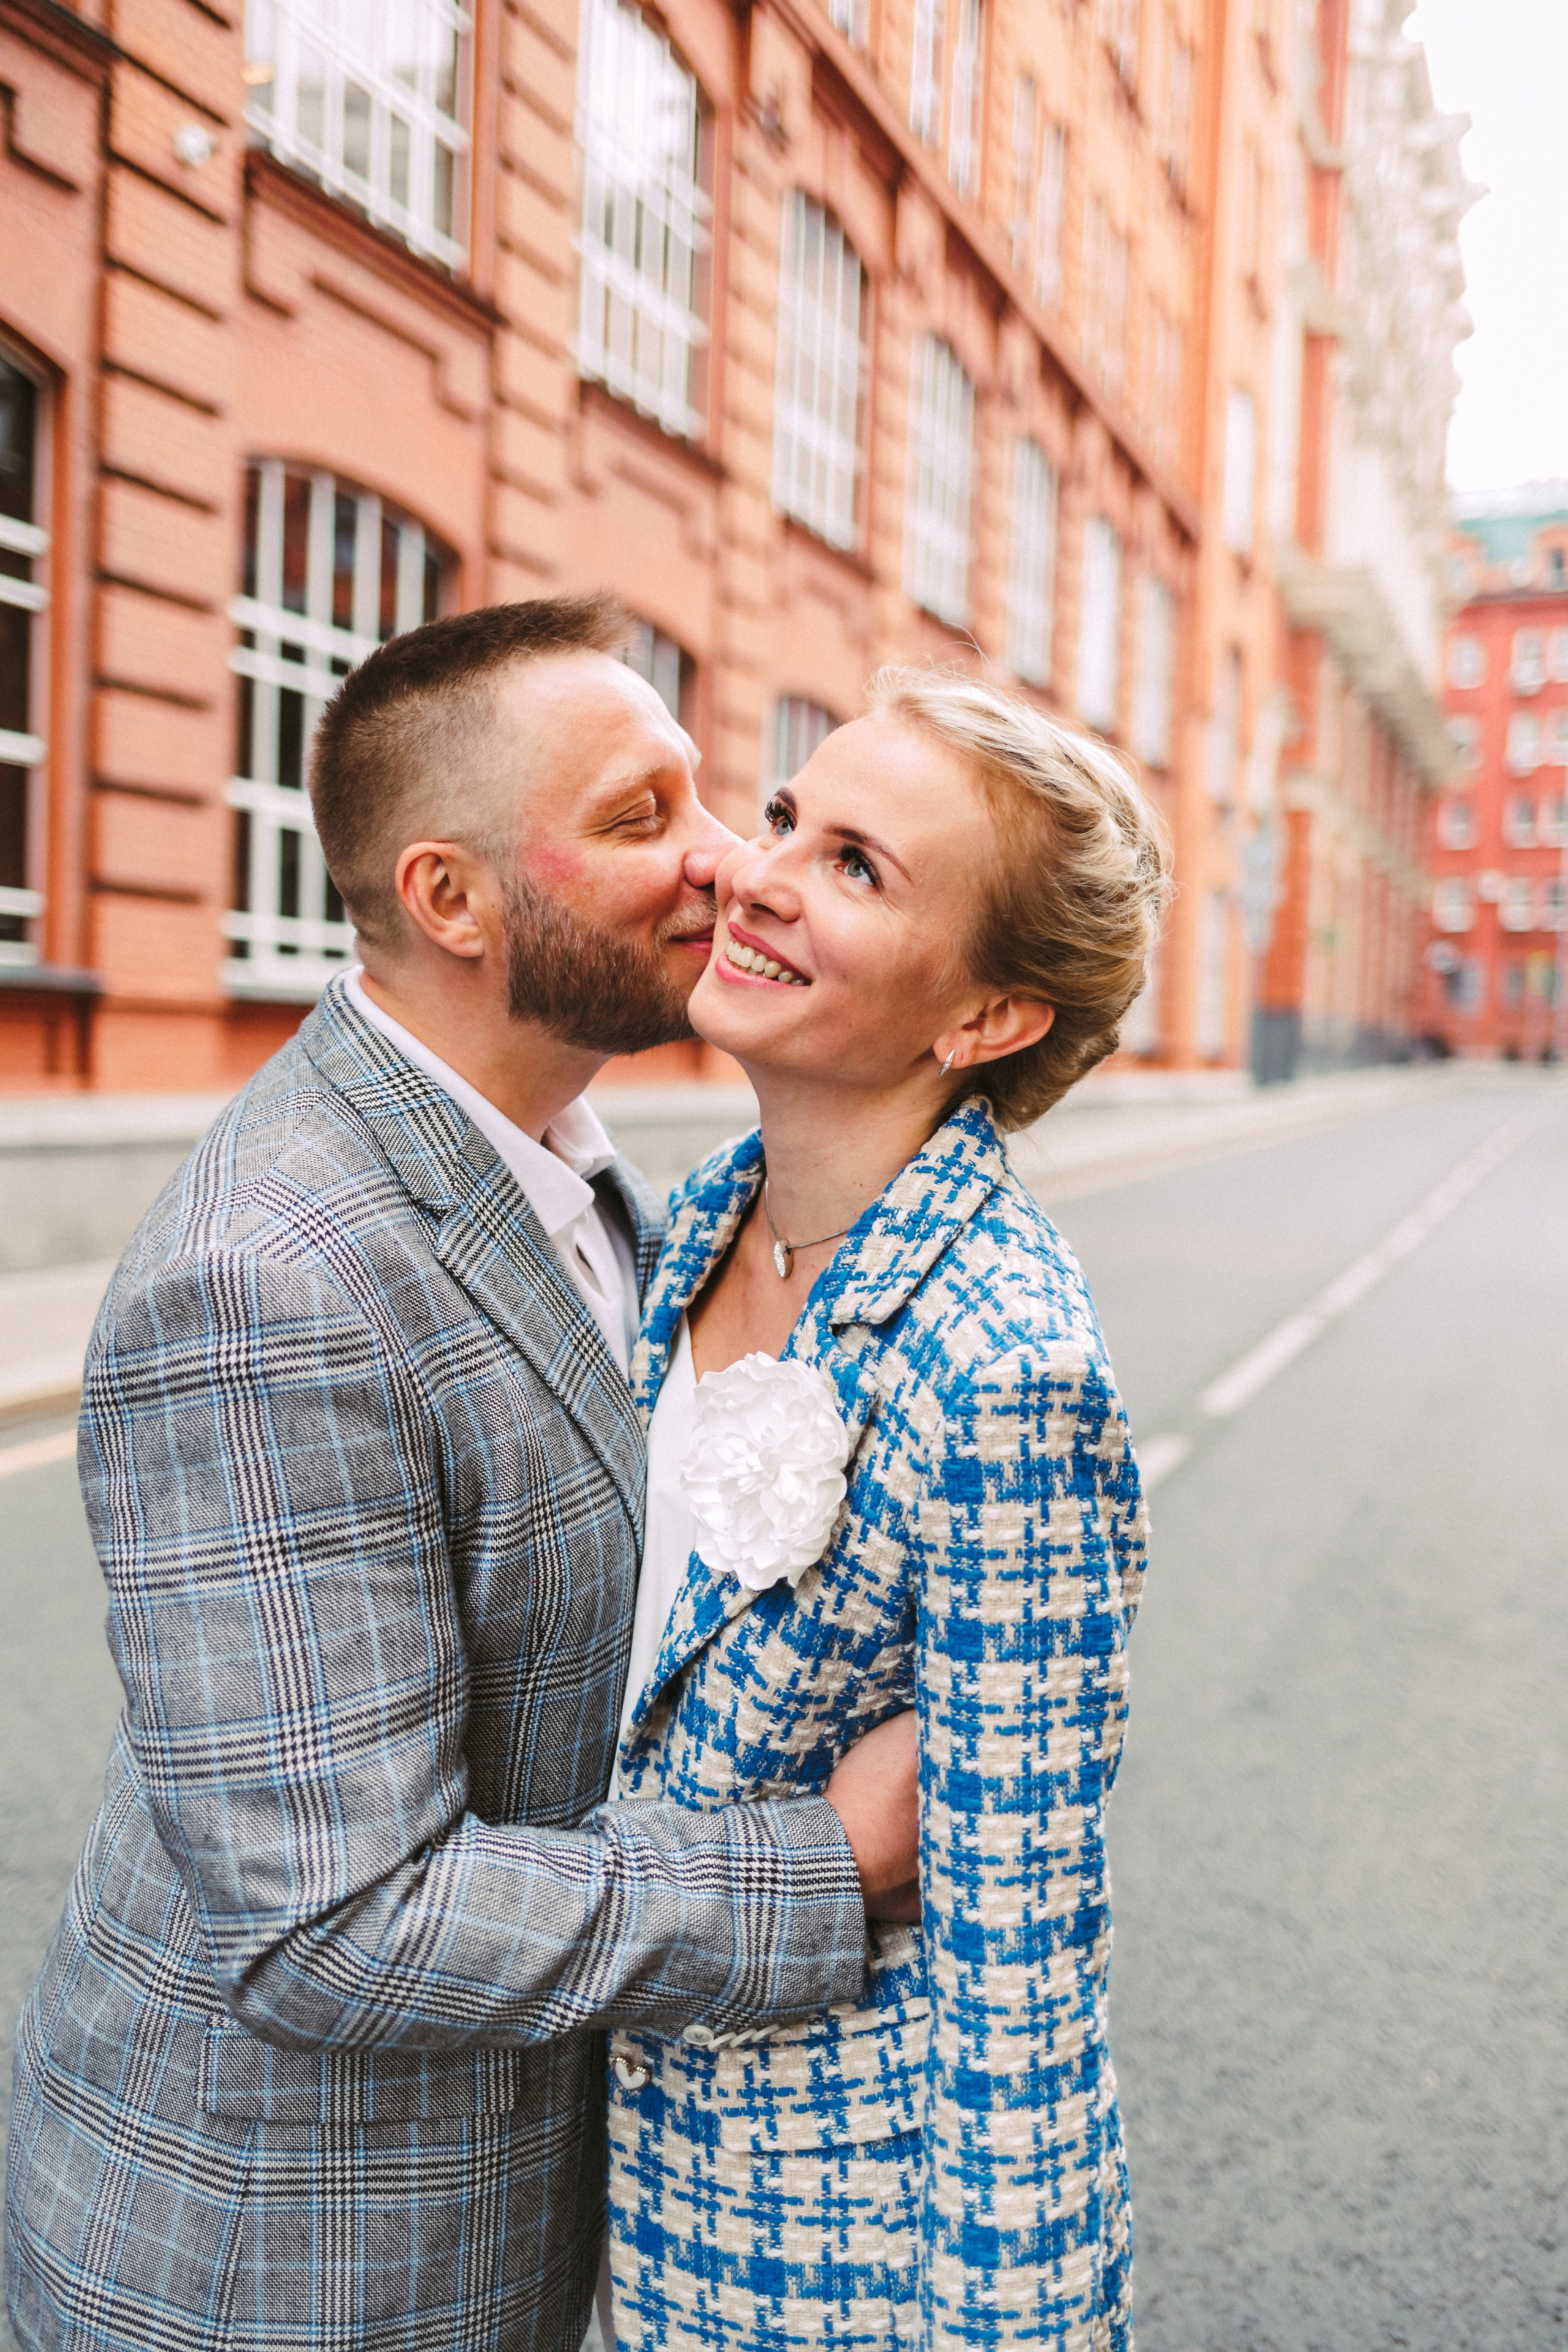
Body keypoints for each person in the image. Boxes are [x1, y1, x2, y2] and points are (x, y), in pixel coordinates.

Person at [4, 597, 920, 2352]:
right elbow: (335, 1924)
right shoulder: (269, 1283)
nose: (730, 861)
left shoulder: (583, 1162)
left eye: (705, 797)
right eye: (644, 820)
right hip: (277, 2275)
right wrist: (821, 1867)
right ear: (451, 898)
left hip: (492, 2220)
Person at [605, 668, 1169, 2350]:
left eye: (859, 865)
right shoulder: (689, 1225)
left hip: (845, 2253)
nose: (763, 872)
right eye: (789, 816)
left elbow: (1021, 1963)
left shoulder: (1010, 1366)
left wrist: (1023, 2326)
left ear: (985, 1019)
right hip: (639, 2195)